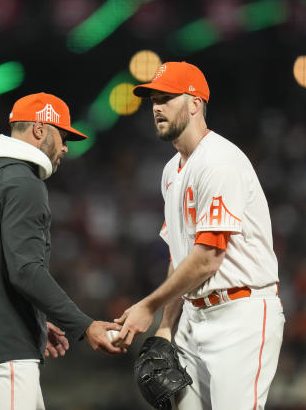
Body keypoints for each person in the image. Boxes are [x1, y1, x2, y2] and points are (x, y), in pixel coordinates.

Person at [114, 62, 285, 409]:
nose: (156, 107)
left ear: (194, 103)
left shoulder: (219, 160)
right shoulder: (170, 171)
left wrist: (149, 305)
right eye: (153, 101)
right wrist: (165, 327)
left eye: (166, 98)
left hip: (241, 314)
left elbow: (208, 257)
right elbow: (181, 257)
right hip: (194, 317)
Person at [0, 92, 124, 410]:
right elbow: (25, 269)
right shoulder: (22, 181)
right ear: (40, 129)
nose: (65, 148)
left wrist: (32, 319)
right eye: (62, 136)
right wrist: (84, 326)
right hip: (6, 345)